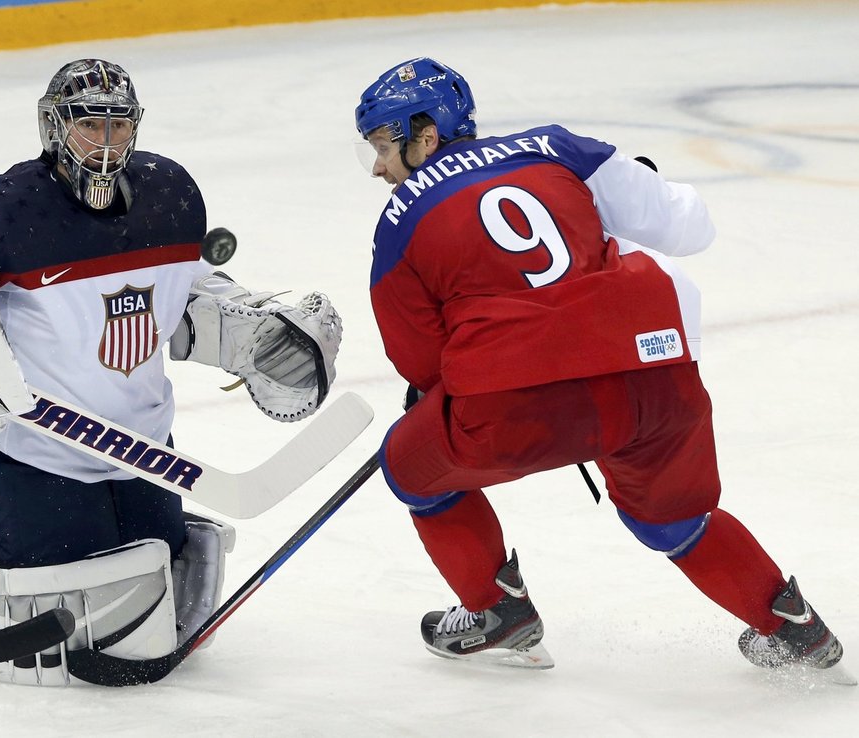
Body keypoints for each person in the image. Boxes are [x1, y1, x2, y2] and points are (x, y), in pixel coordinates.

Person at [354, 57, 844, 675]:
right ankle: (793, 630)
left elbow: (423, 362)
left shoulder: (398, 222)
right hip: (650, 374)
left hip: (514, 406)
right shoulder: (560, 148)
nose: (376, 166)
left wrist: (442, 401)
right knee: (672, 518)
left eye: (381, 145)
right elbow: (691, 227)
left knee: (411, 469)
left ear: (425, 135)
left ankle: (496, 611)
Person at [0, 59, 341, 661]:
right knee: (57, 593)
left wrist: (248, 325)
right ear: (55, 128)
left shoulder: (172, 193)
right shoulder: (1, 208)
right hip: (23, 446)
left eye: (119, 126)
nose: (107, 143)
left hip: (139, 447)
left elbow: (183, 284)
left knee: (155, 585)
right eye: (89, 125)